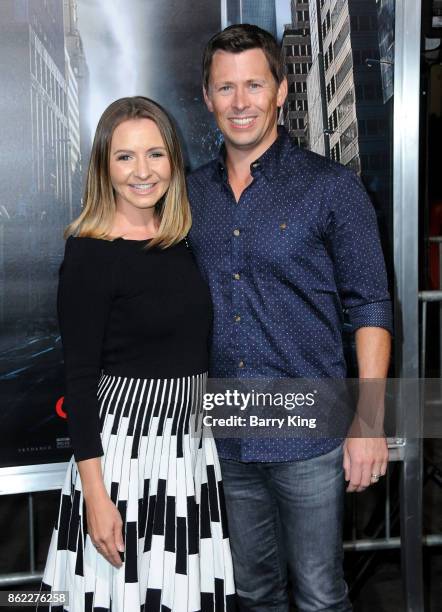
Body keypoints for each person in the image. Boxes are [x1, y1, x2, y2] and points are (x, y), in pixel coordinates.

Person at [187, 25, 392, 612]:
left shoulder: (332, 189)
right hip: (225, 434)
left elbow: (370, 305)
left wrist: (369, 423)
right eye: (226, 88)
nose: (240, 101)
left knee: (322, 596)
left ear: (281, 90)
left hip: (309, 431)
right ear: (208, 97)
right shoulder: (190, 194)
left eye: (254, 84)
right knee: (253, 593)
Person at [38, 96, 235, 611]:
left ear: (174, 159)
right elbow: (79, 382)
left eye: (154, 154)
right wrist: (96, 498)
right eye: (125, 157)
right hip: (125, 461)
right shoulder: (89, 253)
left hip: (188, 453)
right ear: (104, 166)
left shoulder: (183, 243)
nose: (142, 172)